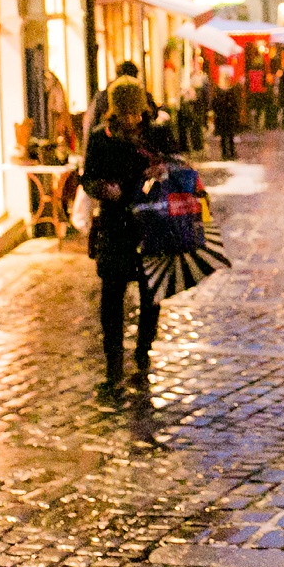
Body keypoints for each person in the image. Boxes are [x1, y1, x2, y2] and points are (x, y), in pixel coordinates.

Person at [80, 76, 179, 389]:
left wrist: (162, 172)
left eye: (136, 113)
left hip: (150, 226)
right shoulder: (100, 138)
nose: (132, 120)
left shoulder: (155, 135)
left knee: (152, 294)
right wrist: (102, 188)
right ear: (114, 112)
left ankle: (143, 350)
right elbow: (88, 178)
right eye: (126, 114)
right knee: (112, 296)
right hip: (114, 226)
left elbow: (178, 167)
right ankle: (113, 360)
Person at [83, 60, 157, 151]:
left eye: (133, 113)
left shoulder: (103, 96)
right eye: (123, 114)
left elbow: (92, 121)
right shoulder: (143, 95)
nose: (129, 120)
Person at [211, 65, 242, 160]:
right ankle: (230, 153)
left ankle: (225, 153)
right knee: (228, 136)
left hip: (223, 117)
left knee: (225, 136)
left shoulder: (218, 91)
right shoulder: (230, 90)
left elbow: (214, 104)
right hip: (227, 116)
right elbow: (235, 104)